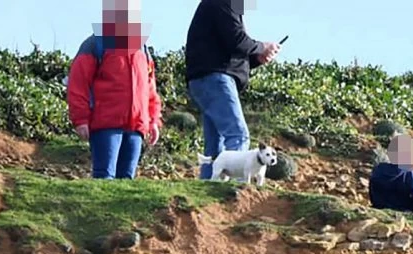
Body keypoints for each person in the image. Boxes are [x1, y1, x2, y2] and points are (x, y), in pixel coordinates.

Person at [185, 0, 282, 180]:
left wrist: (257, 59)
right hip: (216, 78)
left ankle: (208, 190)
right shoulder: (223, 3)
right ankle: (232, 193)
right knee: (238, 134)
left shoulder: (222, 5)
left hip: (205, 78)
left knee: (216, 145)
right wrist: (262, 46)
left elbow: (231, 49)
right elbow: (237, 40)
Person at [67, 0, 162, 180]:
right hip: (105, 125)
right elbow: (78, 84)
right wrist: (81, 119)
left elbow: (150, 90)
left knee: (127, 181)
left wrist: (154, 120)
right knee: (104, 177)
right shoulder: (95, 44)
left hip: (136, 128)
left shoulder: (143, 50)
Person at [369, 134, 413, 212]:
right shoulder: (407, 173)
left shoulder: (378, 169)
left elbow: (372, 192)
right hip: (402, 212)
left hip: (378, 209)